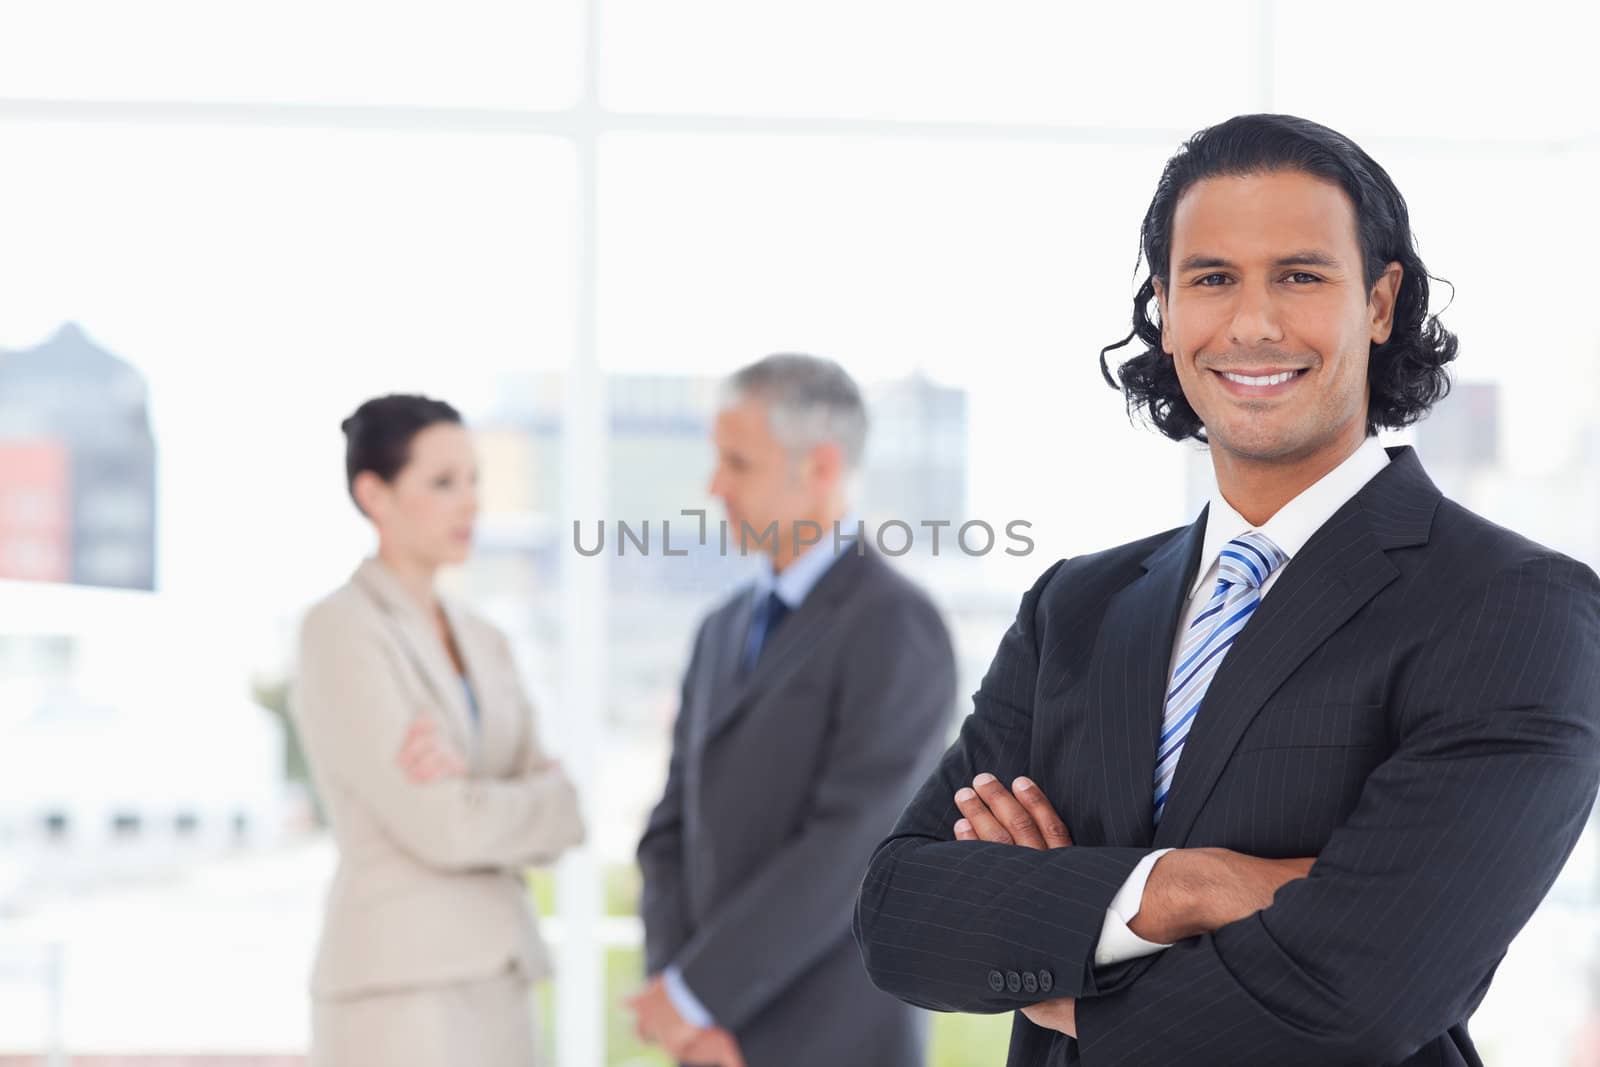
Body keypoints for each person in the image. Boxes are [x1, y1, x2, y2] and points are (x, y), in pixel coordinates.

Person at [854, 113, 1600, 1066]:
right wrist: (1186, 887)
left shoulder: (1515, 607)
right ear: (1165, 310)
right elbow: (901, 918)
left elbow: (1365, 989)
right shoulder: (1077, 609)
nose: (1252, 323)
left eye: (1300, 275)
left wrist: (1064, 964)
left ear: (1378, 303)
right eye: (1211, 279)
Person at [630, 354, 957, 1067]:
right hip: (714, 1041)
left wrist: (695, 995)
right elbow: (668, 830)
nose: (714, 486)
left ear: (820, 467)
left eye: (736, 463)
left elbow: (852, 849)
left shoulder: (896, 624)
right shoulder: (720, 627)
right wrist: (680, 1004)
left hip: (834, 1038)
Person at [291, 393, 584, 1067]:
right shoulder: (341, 630)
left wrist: (481, 791)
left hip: (503, 980)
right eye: (443, 482)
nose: (471, 501)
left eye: (475, 478)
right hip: (400, 991)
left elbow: (567, 811)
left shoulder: (488, 640)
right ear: (375, 494)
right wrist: (516, 796)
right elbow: (444, 827)